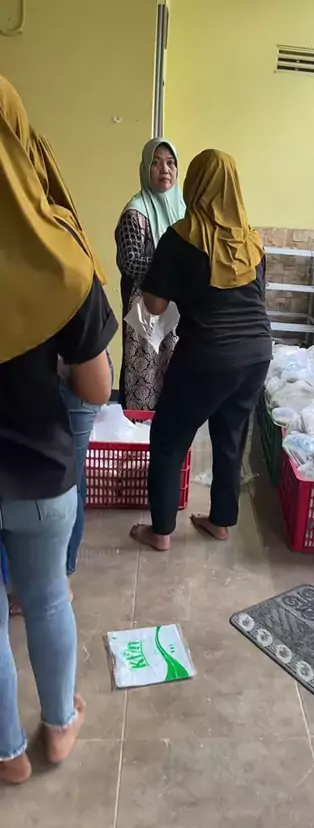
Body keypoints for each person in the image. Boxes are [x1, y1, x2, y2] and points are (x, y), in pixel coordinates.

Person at [0, 77, 117, 784]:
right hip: (40, 470)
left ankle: (6, 753)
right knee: (46, 598)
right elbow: (97, 387)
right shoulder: (58, 255)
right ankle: (57, 726)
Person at [129, 148, 272, 552]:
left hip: (208, 354)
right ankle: (221, 522)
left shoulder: (181, 236)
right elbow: (257, 295)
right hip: (257, 352)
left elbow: (154, 306)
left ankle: (161, 531)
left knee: (170, 437)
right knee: (231, 435)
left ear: (195, 183)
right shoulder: (251, 240)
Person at [115, 138, 185, 410]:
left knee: (175, 382)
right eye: (156, 163)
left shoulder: (185, 209)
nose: (164, 169)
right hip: (144, 313)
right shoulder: (135, 212)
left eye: (170, 163)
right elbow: (131, 262)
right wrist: (176, 268)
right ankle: (137, 434)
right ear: (146, 169)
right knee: (142, 386)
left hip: (178, 312)